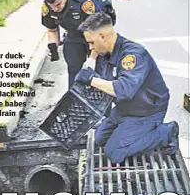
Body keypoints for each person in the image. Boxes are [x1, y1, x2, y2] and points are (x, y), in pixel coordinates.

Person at [74, 12, 179, 164]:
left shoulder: (133, 55)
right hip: (125, 108)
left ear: (103, 36)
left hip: (147, 111)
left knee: (114, 152)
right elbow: (105, 85)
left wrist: (90, 79)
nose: (91, 48)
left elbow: (123, 89)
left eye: (91, 43)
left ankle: (166, 132)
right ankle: (132, 133)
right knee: (100, 138)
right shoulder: (104, 54)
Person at [41, 0, 116, 90]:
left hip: (97, 34)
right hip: (74, 34)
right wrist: (53, 45)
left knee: (100, 71)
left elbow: (99, 31)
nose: (55, 9)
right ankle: (75, 102)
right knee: (74, 68)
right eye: (52, 6)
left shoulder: (84, 0)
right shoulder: (47, 6)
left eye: (58, 4)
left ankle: (101, 103)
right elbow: (52, 29)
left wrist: (92, 58)